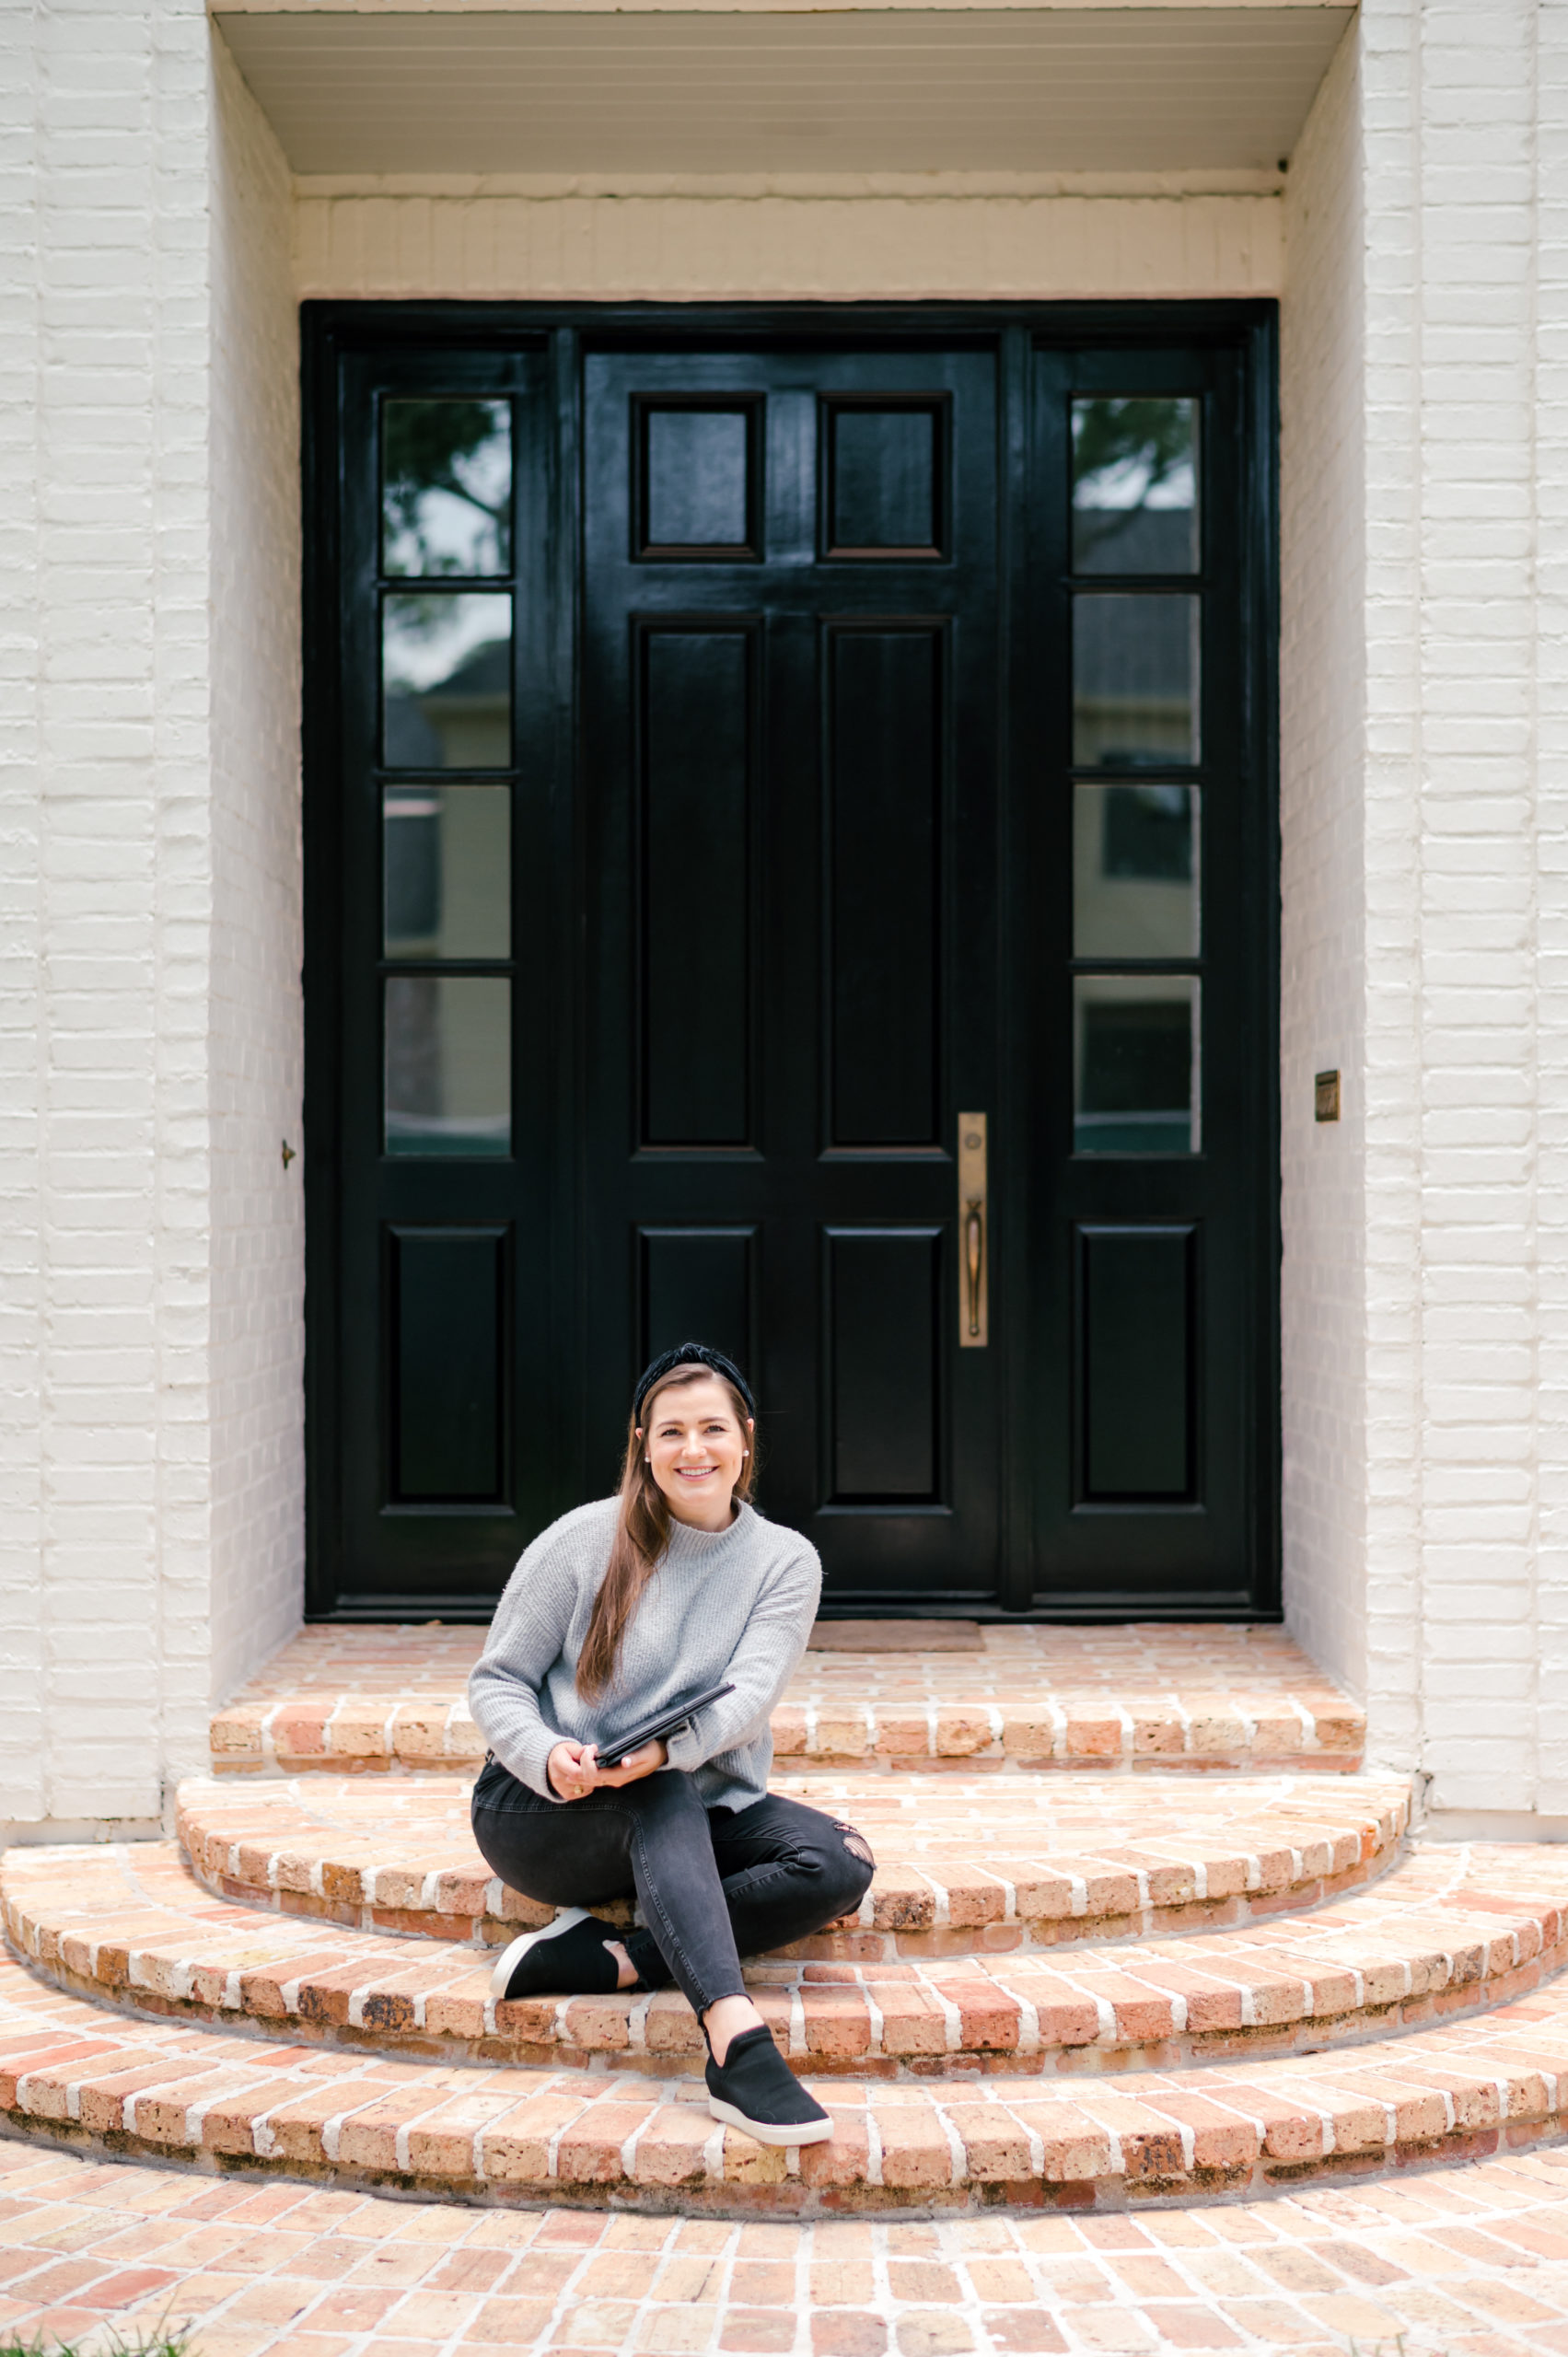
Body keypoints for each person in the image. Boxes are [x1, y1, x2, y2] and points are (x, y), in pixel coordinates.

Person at [467, 1342, 876, 2148]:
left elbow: (751, 1696)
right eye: (672, 1433)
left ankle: (612, 1960)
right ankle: (735, 2043)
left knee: (838, 1861)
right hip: (544, 1811)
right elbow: (497, 1681)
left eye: (713, 1429)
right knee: (658, 1794)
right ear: (643, 1447)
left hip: (682, 1797)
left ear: (745, 1439)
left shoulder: (783, 1560)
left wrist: (662, 1752)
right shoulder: (581, 1541)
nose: (694, 1451)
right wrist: (548, 1755)